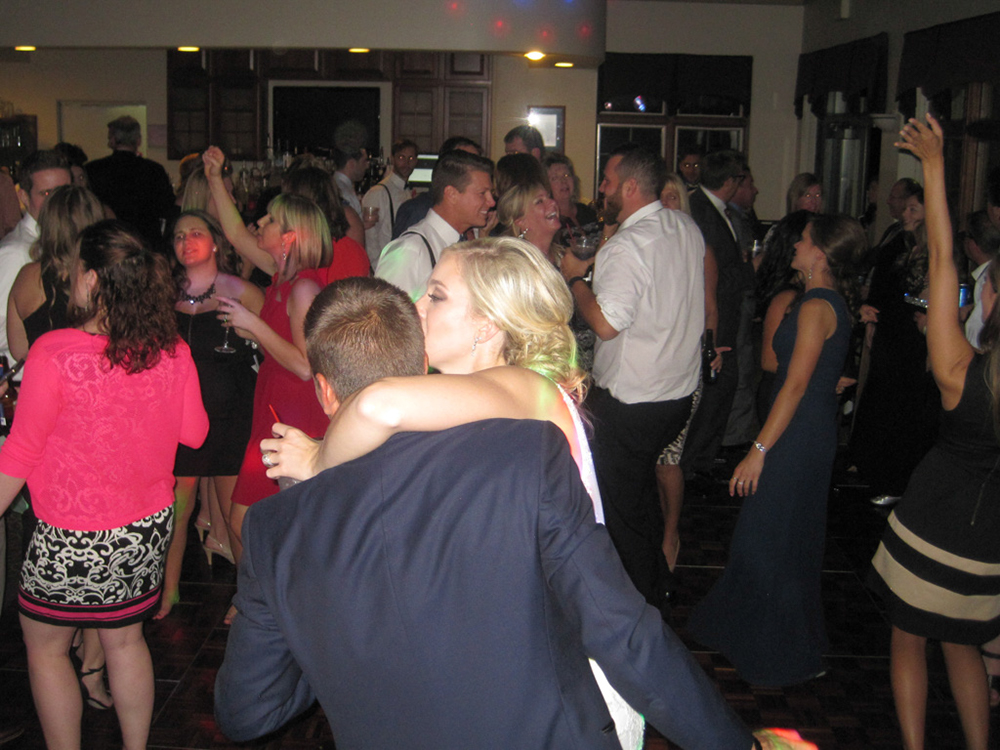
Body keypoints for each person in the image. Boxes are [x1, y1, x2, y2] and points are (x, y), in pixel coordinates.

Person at [217, 271, 806, 750]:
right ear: (421, 366)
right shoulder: (525, 459)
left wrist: (327, 642)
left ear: (325, 391)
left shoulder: (274, 530)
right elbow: (626, 637)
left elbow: (246, 711)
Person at [0, 219, 208, 750]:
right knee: (126, 643)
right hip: (142, 530)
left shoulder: (54, 352)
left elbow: (20, 452)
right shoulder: (171, 350)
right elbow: (195, 433)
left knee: (47, 649)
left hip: (69, 535)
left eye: (75, 270)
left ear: (93, 279)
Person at [868, 114, 1000, 750]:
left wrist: (935, 164)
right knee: (964, 644)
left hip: (933, 520)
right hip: (989, 532)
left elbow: (945, 257)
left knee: (909, 638)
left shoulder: (958, 374)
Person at [687, 213, 862, 687]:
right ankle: (765, 633)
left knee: (771, 536)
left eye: (803, 240)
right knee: (784, 535)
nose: (796, 246)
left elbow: (796, 384)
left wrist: (758, 449)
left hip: (797, 434)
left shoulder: (817, 305)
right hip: (807, 427)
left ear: (820, 253)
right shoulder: (821, 301)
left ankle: (780, 650)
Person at [561, 144, 705, 612]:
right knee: (639, 496)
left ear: (628, 187)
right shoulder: (684, 226)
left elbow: (606, 324)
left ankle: (639, 609)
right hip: (676, 397)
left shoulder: (628, 245)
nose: (600, 188)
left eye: (606, 180)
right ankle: (657, 584)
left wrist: (575, 279)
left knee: (621, 515)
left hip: (631, 405)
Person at [156, 210, 263, 619]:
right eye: (179, 236)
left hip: (233, 416)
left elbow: (272, 348)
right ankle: (168, 592)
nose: (186, 242)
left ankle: (249, 601)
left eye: (195, 233)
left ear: (215, 242)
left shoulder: (241, 290)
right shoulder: (164, 294)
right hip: (183, 419)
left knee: (238, 517)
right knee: (176, 513)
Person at [851, 184, 938, 507]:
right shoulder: (903, 245)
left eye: (914, 209)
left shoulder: (936, 253)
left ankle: (896, 479)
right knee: (882, 399)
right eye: (906, 208)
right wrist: (873, 321)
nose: (905, 214)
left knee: (903, 407)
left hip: (912, 338)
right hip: (892, 332)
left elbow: (936, 300)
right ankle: (874, 467)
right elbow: (884, 288)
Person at [375, 150, 494, 299]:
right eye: (482, 193)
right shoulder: (410, 251)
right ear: (451, 194)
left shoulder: (463, 243)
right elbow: (384, 311)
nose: (491, 202)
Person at [7, 185, 104, 362]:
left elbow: (19, 351)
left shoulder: (27, 276)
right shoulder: (103, 276)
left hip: (45, 374)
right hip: (93, 375)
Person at [0, 150, 72, 364]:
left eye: (64, 192)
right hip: (26, 375)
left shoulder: (65, 242)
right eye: (47, 193)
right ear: (23, 197)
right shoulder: (16, 252)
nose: (57, 201)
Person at [85, 116, 176, 246]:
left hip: (109, 242)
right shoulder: (154, 170)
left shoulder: (94, 170)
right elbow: (167, 208)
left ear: (113, 140)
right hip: (146, 243)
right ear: (138, 141)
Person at [361, 139, 418, 264]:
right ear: (392, 159)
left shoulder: (408, 191)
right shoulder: (378, 192)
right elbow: (369, 235)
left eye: (411, 158)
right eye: (401, 157)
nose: (406, 163)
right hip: (384, 262)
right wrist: (378, 266)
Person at [542, 152, 597, 237]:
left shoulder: (587, 212)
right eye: (555, 178)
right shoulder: (549, 220)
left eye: (566, 175)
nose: (563, 181)